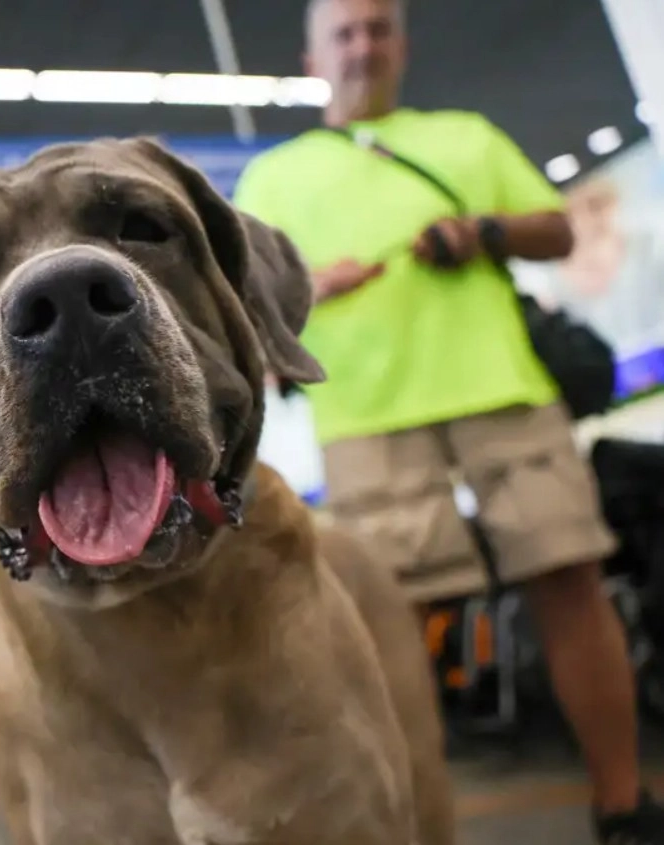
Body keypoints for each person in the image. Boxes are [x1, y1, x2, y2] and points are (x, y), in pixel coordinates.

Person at [233, 1, 664, 842]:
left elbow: (553, 228)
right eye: (344, 33)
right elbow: (250, 314)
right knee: (385, 624)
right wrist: (311, 289)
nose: (363, 47)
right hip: (365, 420)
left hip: (500, 392)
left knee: (570, 582)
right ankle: (414, 821)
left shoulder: (464, 136)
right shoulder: (270, 182)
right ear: (312, 54)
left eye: (377, 29)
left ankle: (622, 803)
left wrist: (483, 231)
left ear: (401, 43)